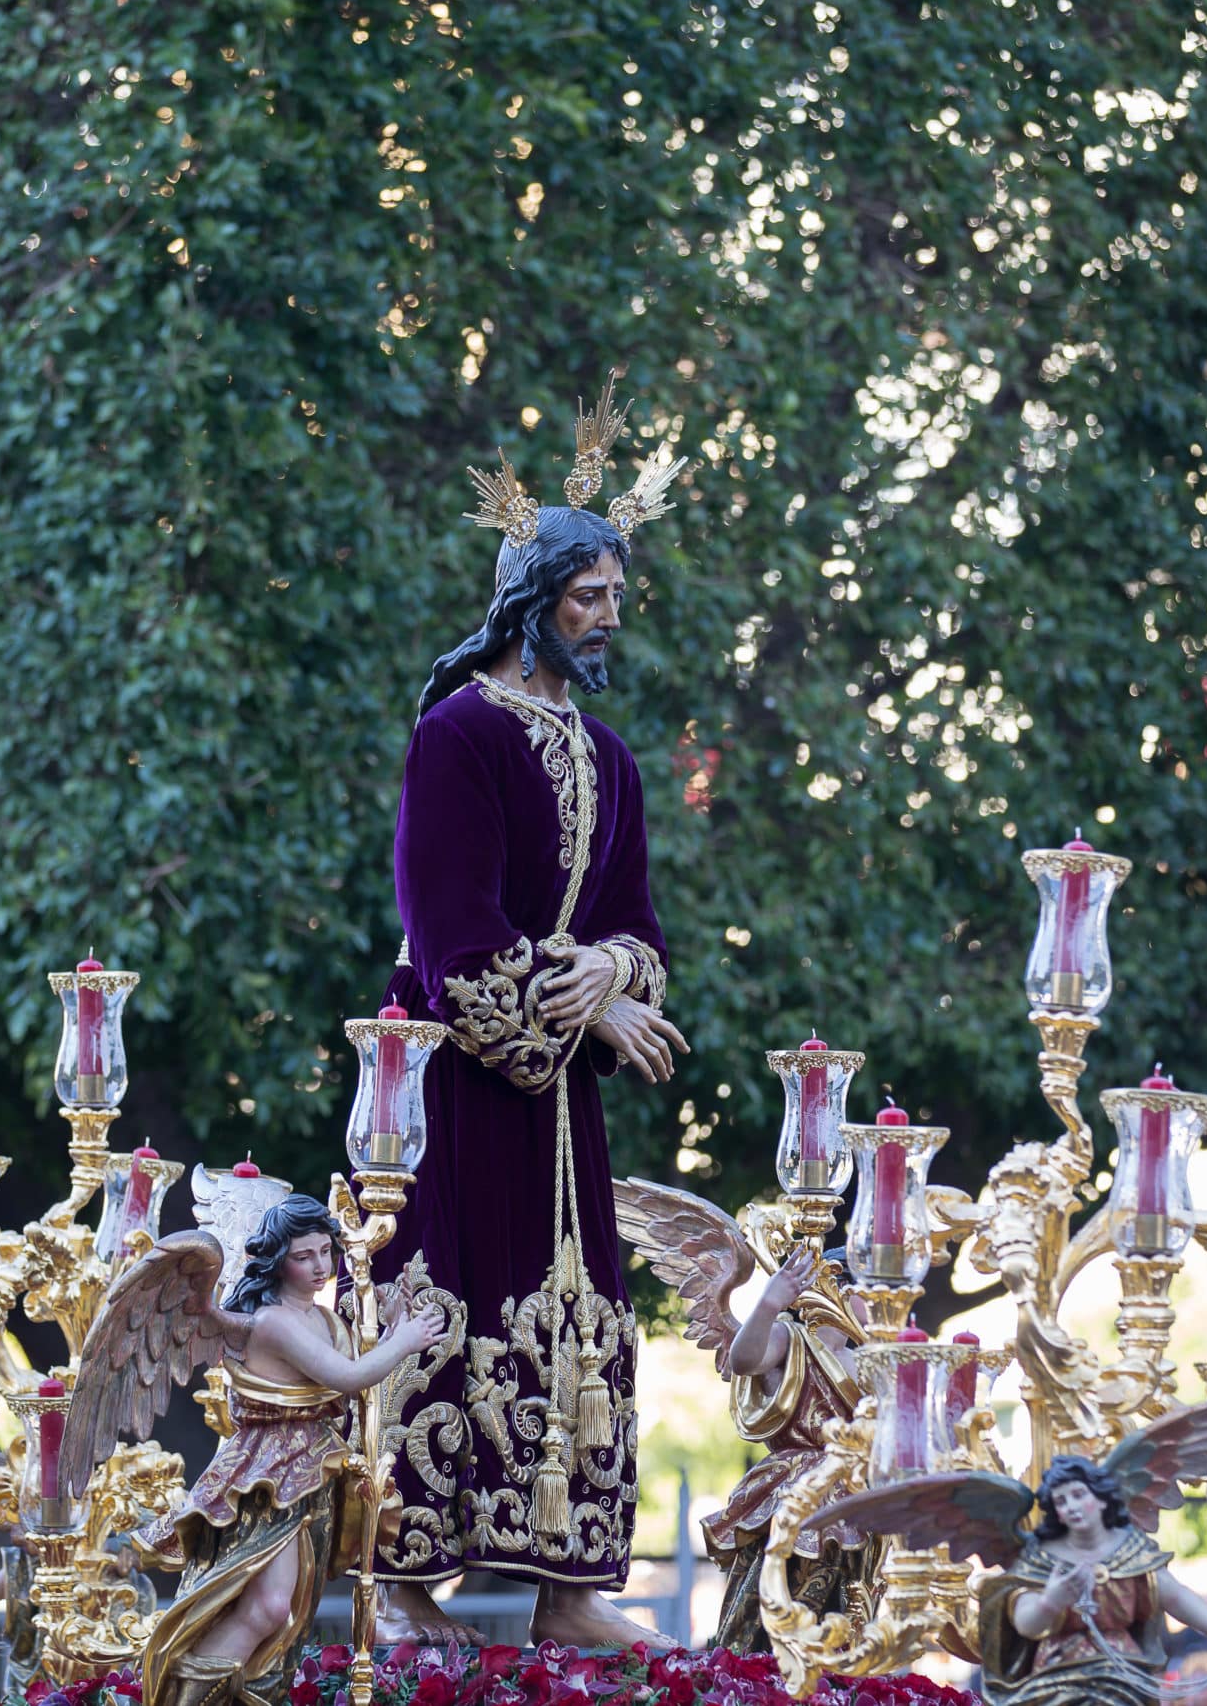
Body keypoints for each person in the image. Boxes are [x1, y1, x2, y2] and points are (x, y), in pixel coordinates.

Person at [371, 381, 691, 1649]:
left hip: (561, 1104)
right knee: (440, 1296)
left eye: (617, 594)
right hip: (458, 1077)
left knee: (584, 1310)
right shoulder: (455, 735)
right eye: (590, 593)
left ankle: (566, 1586)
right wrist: (583, 1010)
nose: (609, 615)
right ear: (531, 600)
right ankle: (401, 1581)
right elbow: (449, 931)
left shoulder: (607, 758)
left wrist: (616, 978)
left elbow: (642, 929)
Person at [138, 1196, 446, 1706]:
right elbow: (348, 1377)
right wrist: (407, 1340)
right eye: (305, 1256)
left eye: (327, 1251)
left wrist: (390, 1328)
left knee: (282, 1611)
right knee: (267, 1609)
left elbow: (353, 1376)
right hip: (270, 1477)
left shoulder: (321, 1322)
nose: (322, 1266)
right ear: (278, 1259)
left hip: (310, 1475)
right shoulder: (273, 1322)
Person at [980, 1457, 1207, 1706]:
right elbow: (1025, 1623)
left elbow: (1174, 1597)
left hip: (1124, 1674)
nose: (1071, 1506)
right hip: (1058, 1677)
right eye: (1061, 1500)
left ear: (1100, 1497)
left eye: (1079, 1494)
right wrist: (1050, 1602)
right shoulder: (1043, 1556)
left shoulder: (1131, 1548)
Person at [703, 1244, 869, 1651]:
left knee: (846, 1599)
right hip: (794, 1492)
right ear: (839, 1289)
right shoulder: (790, 1340)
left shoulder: (866, 1362)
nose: (883, 1301)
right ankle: (764, 1662)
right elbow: (744, 1359)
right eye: (872, 1289)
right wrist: (769, 1303)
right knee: (777, 1586)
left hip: (850, 1494)